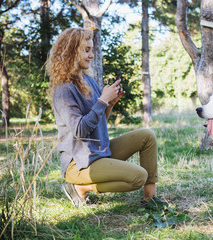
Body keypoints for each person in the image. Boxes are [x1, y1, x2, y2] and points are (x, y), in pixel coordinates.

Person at [46, 27, 159, 207]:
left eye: (92, 50)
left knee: (147, 136)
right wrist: (102, 100)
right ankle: (79, 188)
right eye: (86, 50)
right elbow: (80, 130)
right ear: (71, 52)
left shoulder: (88, 81)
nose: (91, 55)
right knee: (138, 176)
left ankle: (151, 199)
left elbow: (97, 124)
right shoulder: (63, 90)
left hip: (98, 153)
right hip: (79, 164)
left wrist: (109, 104)